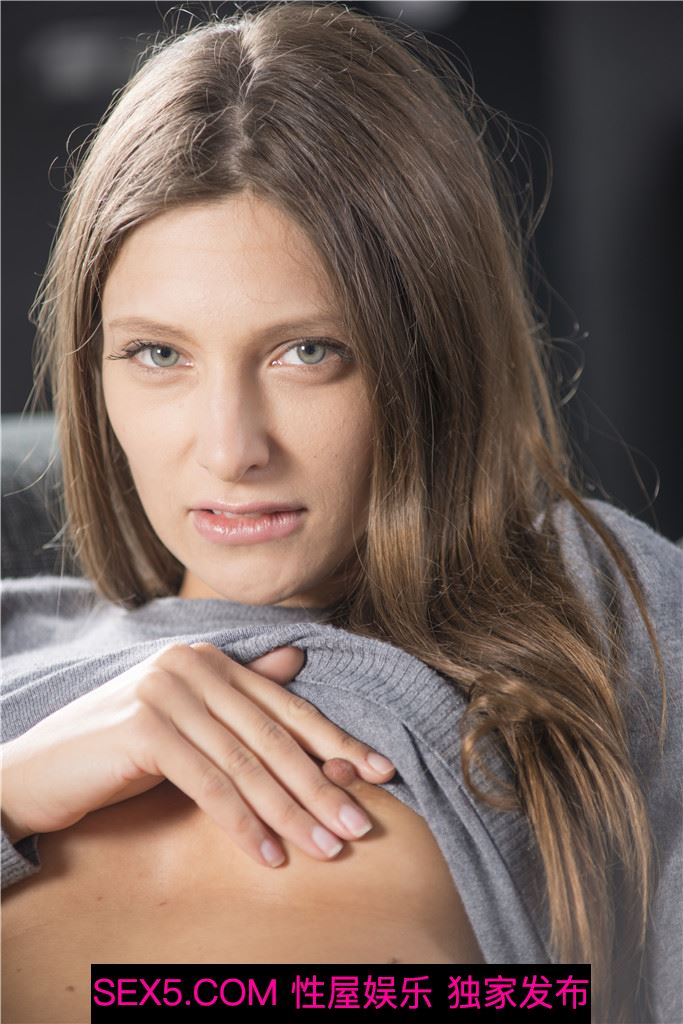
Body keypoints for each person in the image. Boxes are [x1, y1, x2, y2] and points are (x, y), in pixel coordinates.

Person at [0, 3, 680, 1023]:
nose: (230, 448)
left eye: (307, 351)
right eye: (158, 354)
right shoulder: (17, 640)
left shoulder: (592, 615)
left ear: (428, 356)